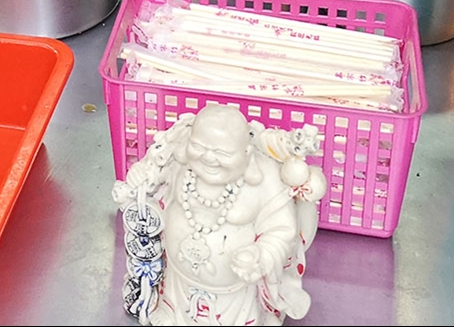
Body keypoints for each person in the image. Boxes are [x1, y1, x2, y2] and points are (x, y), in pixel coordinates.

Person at [113, 105, 319, 326]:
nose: (208, 158)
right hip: (177, 282)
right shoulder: (180, 165)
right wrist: (139, 176)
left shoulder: (265, 178)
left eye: (222, 153)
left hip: (236, 296)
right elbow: (149, 181)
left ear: (246, 153)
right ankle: (171, 311)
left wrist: (260, 255)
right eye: (198, 147)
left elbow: (282, 230)